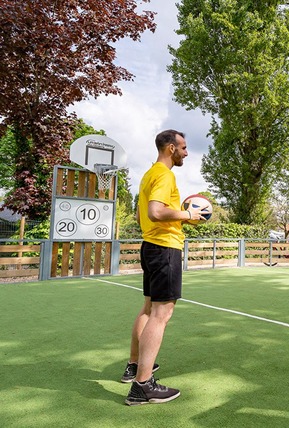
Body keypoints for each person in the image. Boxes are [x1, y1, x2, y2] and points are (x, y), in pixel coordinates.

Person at [122, 129, 204, 405]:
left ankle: (134, 366)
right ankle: (142, 386)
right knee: (161, 314)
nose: (186, 152)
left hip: (151, 246)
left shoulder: (149, 174)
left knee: (148, 309)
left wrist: (178, 216)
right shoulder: (166, 175)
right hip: (165, 248)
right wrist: (187, 214)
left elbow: (141, 213)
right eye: (183, 147)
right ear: (170, 148)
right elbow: (155, 212)